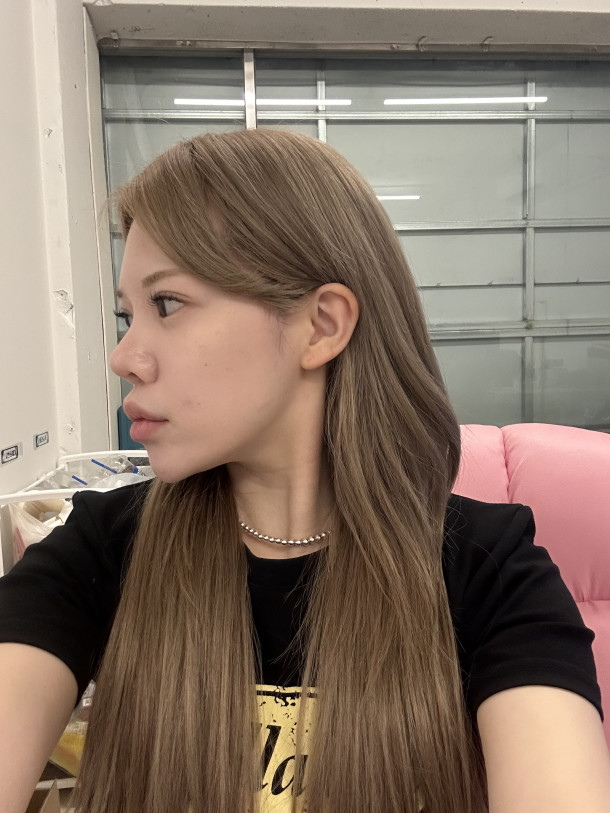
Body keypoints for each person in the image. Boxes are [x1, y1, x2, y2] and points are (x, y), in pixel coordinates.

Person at [0, 129, 607, 813]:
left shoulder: (491, 573)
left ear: (321, 324)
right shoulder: (102, 549)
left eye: (166, 304)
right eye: (126, 314)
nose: (124, 357)